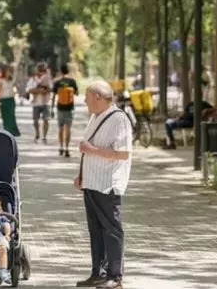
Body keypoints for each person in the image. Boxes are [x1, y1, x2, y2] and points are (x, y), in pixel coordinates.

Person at [73, 80, 132, 289]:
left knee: (111, 230)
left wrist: (92, 151)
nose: (85, 101)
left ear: (97, 97)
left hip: (107, 183)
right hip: (92, 182)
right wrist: (81, 175)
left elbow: (123, 153)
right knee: (95, 230)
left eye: (87, 97)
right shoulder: (95, 116)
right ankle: (98, 272)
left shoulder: (119, 119)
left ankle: (115, 277)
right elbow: (89, 148)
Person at [51, 64, 78, 158]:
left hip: (60, 107)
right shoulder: (72, 81)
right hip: (70, 108)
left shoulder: (57, 82)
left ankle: (61, 147)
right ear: (68, 71)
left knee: (61, 128)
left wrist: (52, 108)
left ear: (61, 72)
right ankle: (67, 148)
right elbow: (76, 93)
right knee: (68, 129)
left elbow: (54, 96)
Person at [26, 63, 52, 144]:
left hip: (46, 102)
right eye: (38, 69)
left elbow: (50, 89)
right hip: (36, 103)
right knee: (35, 120)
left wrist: (37, 90)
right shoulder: (33, 79)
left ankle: (44, 136)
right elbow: (29, 90)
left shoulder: (47, 78)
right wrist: (40, 90)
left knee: (46, 120)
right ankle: (37, 134)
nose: (40, 70)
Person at [0, 66, 20, 136]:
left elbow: (16, 84)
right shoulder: (0, 80)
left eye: (9, 71)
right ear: (4, 72)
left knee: (11, 115)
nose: (8, 73)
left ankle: (13, 131)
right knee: (5, 116)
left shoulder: (12, 80)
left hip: (11, 99)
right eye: (7, 71)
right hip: (3, 100)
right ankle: (7, 131)